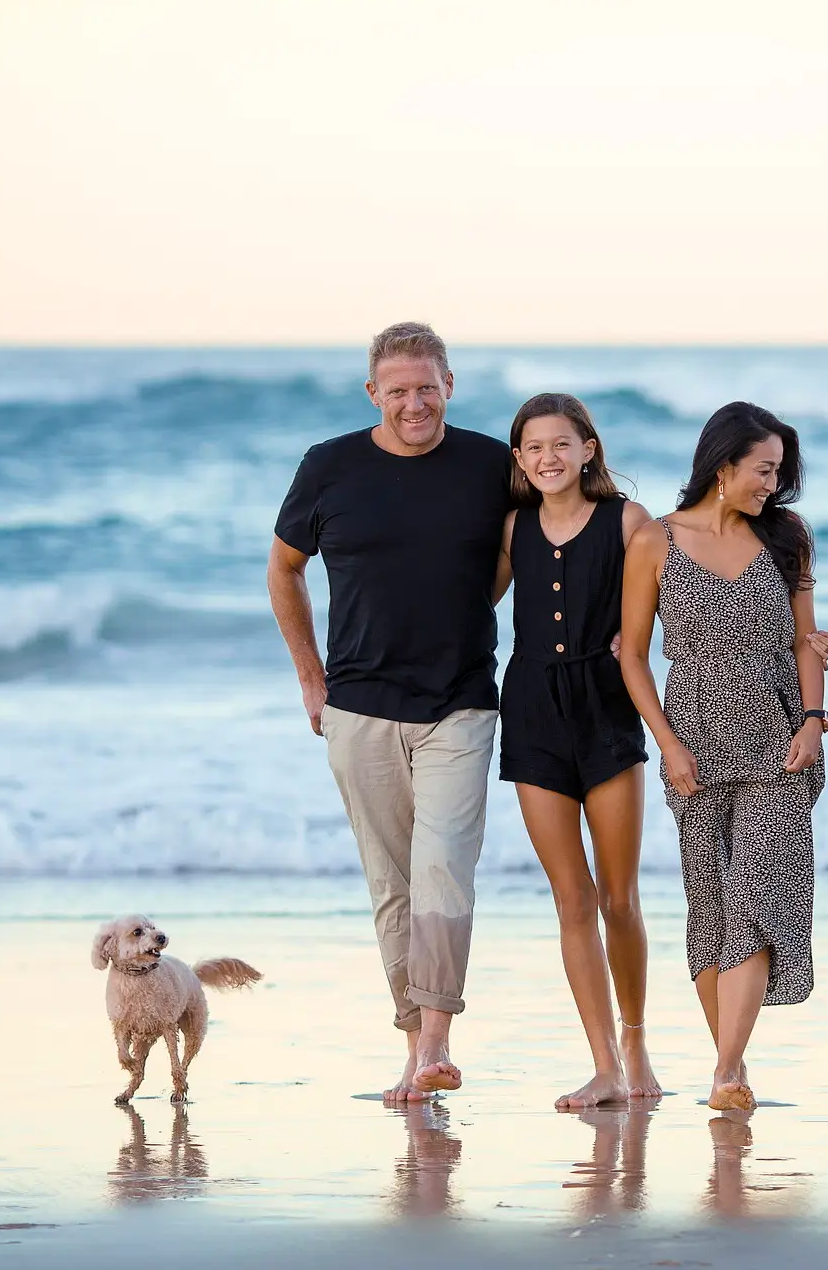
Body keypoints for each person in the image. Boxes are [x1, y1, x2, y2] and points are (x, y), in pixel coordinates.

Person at [267, 322, 512, 1102]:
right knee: (392, 883)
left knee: (444, 869)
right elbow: (284, 568)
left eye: (427, 387)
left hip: (462, 702)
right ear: (374, 393)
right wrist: (311, 677)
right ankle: (414, 1047)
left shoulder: (489, 463)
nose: (415, 403)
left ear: (450, 385)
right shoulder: (328, 466)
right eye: (398, 390)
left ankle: (436, 1040)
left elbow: (517, 554)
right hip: (359, 706)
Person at [619, 401, 828, 1113]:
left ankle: (728, 1069)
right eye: (763, 470)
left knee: (757, 896)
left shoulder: (788, 537)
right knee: (709, 908)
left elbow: (805, 641)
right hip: (695, 743)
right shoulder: (654, 542)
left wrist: (814, 718)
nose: (772, 485)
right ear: (723, 464)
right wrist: (666, 743)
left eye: (779, 473)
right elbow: (633, 657)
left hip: (779, 739)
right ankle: (729, 1073)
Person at [497, 393, 661, 1109]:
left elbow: (671, 601)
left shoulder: (628, 521)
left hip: (606, 709)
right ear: (519, 459)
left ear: (589, 449)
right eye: (534, 447)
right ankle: (602, 1066)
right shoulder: (512, 529)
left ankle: (634, 1040)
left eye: (562, 443)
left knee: (618, 898)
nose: (548, 458)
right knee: (572, 898)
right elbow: (466, 606)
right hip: (531, 711)